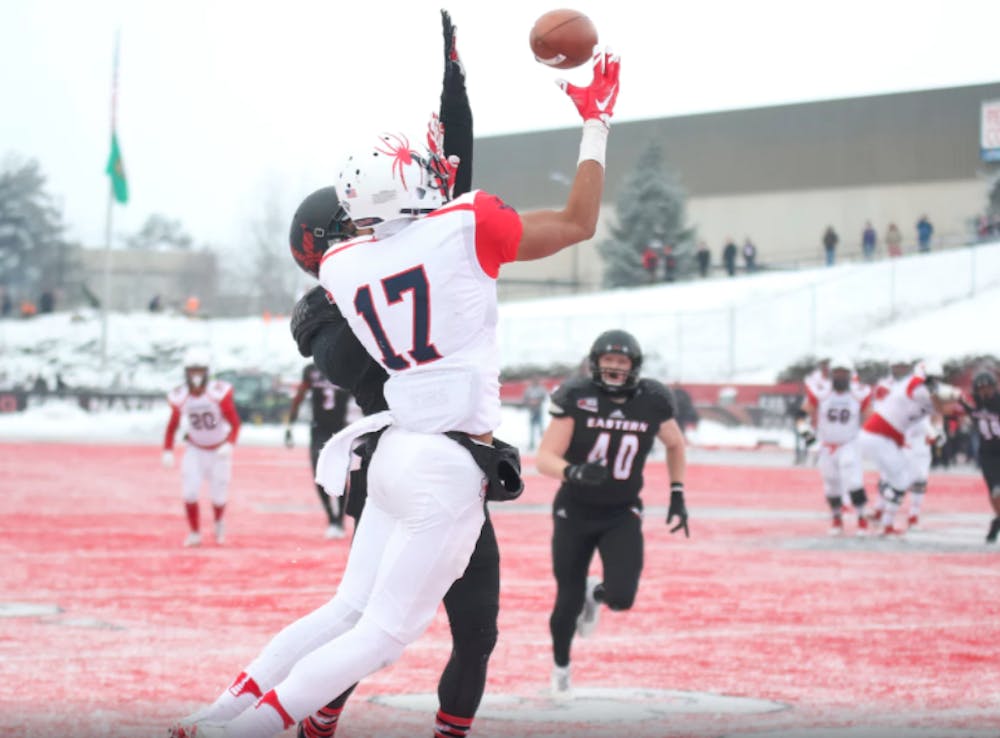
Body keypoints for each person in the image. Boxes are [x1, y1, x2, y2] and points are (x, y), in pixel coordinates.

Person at [170, 25, 621, 738]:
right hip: (443, 463)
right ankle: (241, 730)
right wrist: (595, 121)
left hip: (394, 456)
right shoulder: (463, 226)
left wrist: (443, 136)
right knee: (379, 635)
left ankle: (223, 711)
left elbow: (417, 221)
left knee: (344, 612)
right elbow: (576, 221)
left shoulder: (343, 269)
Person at [535, 329, 688, 700]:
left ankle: (597, 594)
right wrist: (573, 472)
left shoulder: (652, 400)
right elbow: (544, 458)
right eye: (608, 361)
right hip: (575, 509)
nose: (614, 368)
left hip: (622, 511)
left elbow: (675, 442)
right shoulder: (578, 398)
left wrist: (677, 492)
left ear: (634, 367)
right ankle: (561, 670)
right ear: (595, 363)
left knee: (622, 596)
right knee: (566, 598)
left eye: (621, 361)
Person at [858, 358, 957, 536]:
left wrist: (938, 430)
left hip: (888, 437)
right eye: (931, 379)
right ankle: (882, 512)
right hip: (879, 435)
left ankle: (885, 519)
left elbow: (939, 412)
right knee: (900, 480)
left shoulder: (923, 390)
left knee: (903, 478)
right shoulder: (915, 386)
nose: (934, 383)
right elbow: (941, 405)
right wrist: (955, 395)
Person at [162, 347, 241, 547]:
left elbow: (235, 422)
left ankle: (218, 522)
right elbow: (172, 426)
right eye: (192, 370)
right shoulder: (182, 396)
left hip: (218, 450)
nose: (195, 375)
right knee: (189, 492)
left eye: (199, 370)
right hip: (195, 449)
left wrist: (229, 444)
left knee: (218, 495)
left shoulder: (217, 393)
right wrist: (168, 449)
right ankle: (195, 532)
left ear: (207, 372)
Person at [798, 357, 873, 535]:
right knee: (831, 483)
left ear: (850, 375)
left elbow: (870, 416)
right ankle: (836, 519)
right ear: (831, 375)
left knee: (853, 480)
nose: (840, 377)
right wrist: (807, 434)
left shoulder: (858, 393)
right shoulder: (822, 393)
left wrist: (868, 436)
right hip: (826, 444)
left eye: (844, 373)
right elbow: (800, 415)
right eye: (837, 373)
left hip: (849, 442)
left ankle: (861, 518)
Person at [285, 362, 352, 539]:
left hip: (341, 429)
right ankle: (331, 517)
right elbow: (299, 396)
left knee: (339, 474)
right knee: (320, 474)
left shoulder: (345, 366)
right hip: (319, 429)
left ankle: (339, 520)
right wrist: (289, 425)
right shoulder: (311, 370)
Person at [958, 370, 1000, 543]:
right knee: (996, 491)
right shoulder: (975, 403)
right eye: (981, 388)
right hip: (987, 453)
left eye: (988, 388)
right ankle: (998, 518)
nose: (985, 392)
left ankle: (997, 522)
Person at [522, 375, 548, 450]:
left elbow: (544, 397)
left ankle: (544, 444)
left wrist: (538, 401)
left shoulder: (541, 389)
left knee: (541, 428)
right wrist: (530, 402)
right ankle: (531, 443)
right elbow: (525, 398)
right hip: (532, 411)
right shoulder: (529, 389)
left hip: (539, 410)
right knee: (532, 428)